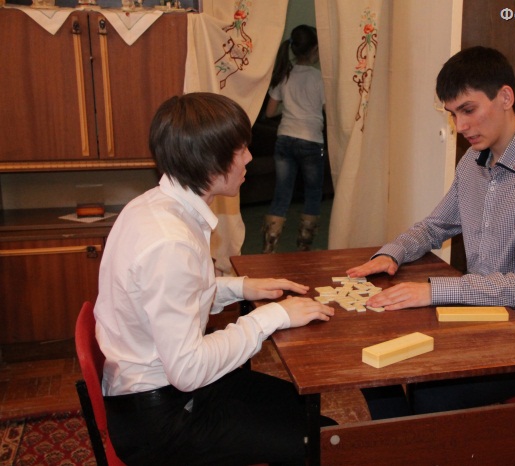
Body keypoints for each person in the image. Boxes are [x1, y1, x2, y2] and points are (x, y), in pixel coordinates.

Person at [94, 92, 335, 466]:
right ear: (208, 161)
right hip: (160, 419)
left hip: (158, 391)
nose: (249, 158)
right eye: (240, 150)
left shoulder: (153, 205)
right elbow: (188, 370)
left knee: (309, 414)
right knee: (324, 440)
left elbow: (174, 294)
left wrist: (242, 287)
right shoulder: (169, 242)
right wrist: (272, 317)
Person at [347, 46, 515, 419]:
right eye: (453, 114)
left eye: (468, 110)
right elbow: (436, 226)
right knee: (372, 357)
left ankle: (414, 439)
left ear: (505, 97)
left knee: (429, 393)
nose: (460, 127)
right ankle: (406, 441)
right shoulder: (473, 161)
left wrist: (433, 291)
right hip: (478, 317)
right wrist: (392, 253)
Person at [262, 24, 326, 253]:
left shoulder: (284, 75)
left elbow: (270, 112)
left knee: (282, 193)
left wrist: (290, 109)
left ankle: (269, 246)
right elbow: (328, 110)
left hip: (285, 138)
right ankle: (304, 247)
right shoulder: (320, 78)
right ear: (315, 49)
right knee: (313, 193)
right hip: (312, 141)